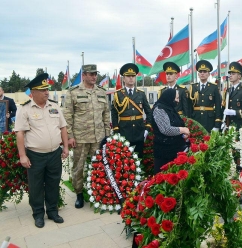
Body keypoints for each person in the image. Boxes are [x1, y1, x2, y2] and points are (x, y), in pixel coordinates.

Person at [14, 73, 69, 228]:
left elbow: (63, 127)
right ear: (33, 92)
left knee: (53, 183)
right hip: (35, 155)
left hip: (54, 153)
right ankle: (38, 214)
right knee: (36, 185)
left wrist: (65, 147)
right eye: (43, 90)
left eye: (47, 89)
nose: (47, 92)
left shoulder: (54, 106)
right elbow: (20, 133)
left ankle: (52, 211)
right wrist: (22, 156)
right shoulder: (25, 109)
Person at [64, 64, 111, 209]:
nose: (94, 77)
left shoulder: (101, 92)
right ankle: (79, 194)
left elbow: (106, 115)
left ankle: (98, 192)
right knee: (79, 167)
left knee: (99, 166)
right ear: (83, 75)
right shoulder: (73, 92)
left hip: (98, 137)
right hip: (80, 138)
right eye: (90, 74)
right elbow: (67, 116)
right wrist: (70, 136)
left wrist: (107, 136)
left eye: (95, 74)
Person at [111, 63, 152, 159]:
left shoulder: (141, 94)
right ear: (123, 78)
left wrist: (147, 128)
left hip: (139, 130)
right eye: (128, 76)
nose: (131, 78)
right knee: (125, 160)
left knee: (139, 158)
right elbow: (114, 113)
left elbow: (149, 112)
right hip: (124, 131)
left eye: (133, 76)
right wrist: (116, 130)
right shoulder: (118, 94)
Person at [152, 88, 190, 173]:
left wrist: (184, 135)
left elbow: (177, 123)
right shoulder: (159, 109)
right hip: (164, 152)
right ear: (169, 97)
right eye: (176, 98)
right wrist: (182, 129)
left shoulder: (170, 108)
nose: (178, 100)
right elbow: (166, 129)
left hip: (174, 149)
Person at [189, 60, 222, 132]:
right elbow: (189, 106)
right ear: (198, 74)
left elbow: (218, 106)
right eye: (200, 72)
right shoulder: (193, 87)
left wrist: (217, 124)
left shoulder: (214, 87)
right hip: (196, 119)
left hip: (209, 120)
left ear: (209, 74)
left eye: (205, 72)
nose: (202, 74)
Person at [222, 61, 242, 129]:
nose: (230, 75)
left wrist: (235, 112)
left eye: (233, 74)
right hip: (228, 124)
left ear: (239, 76)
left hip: (240, 125)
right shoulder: (228, 91)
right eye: (230, 73)